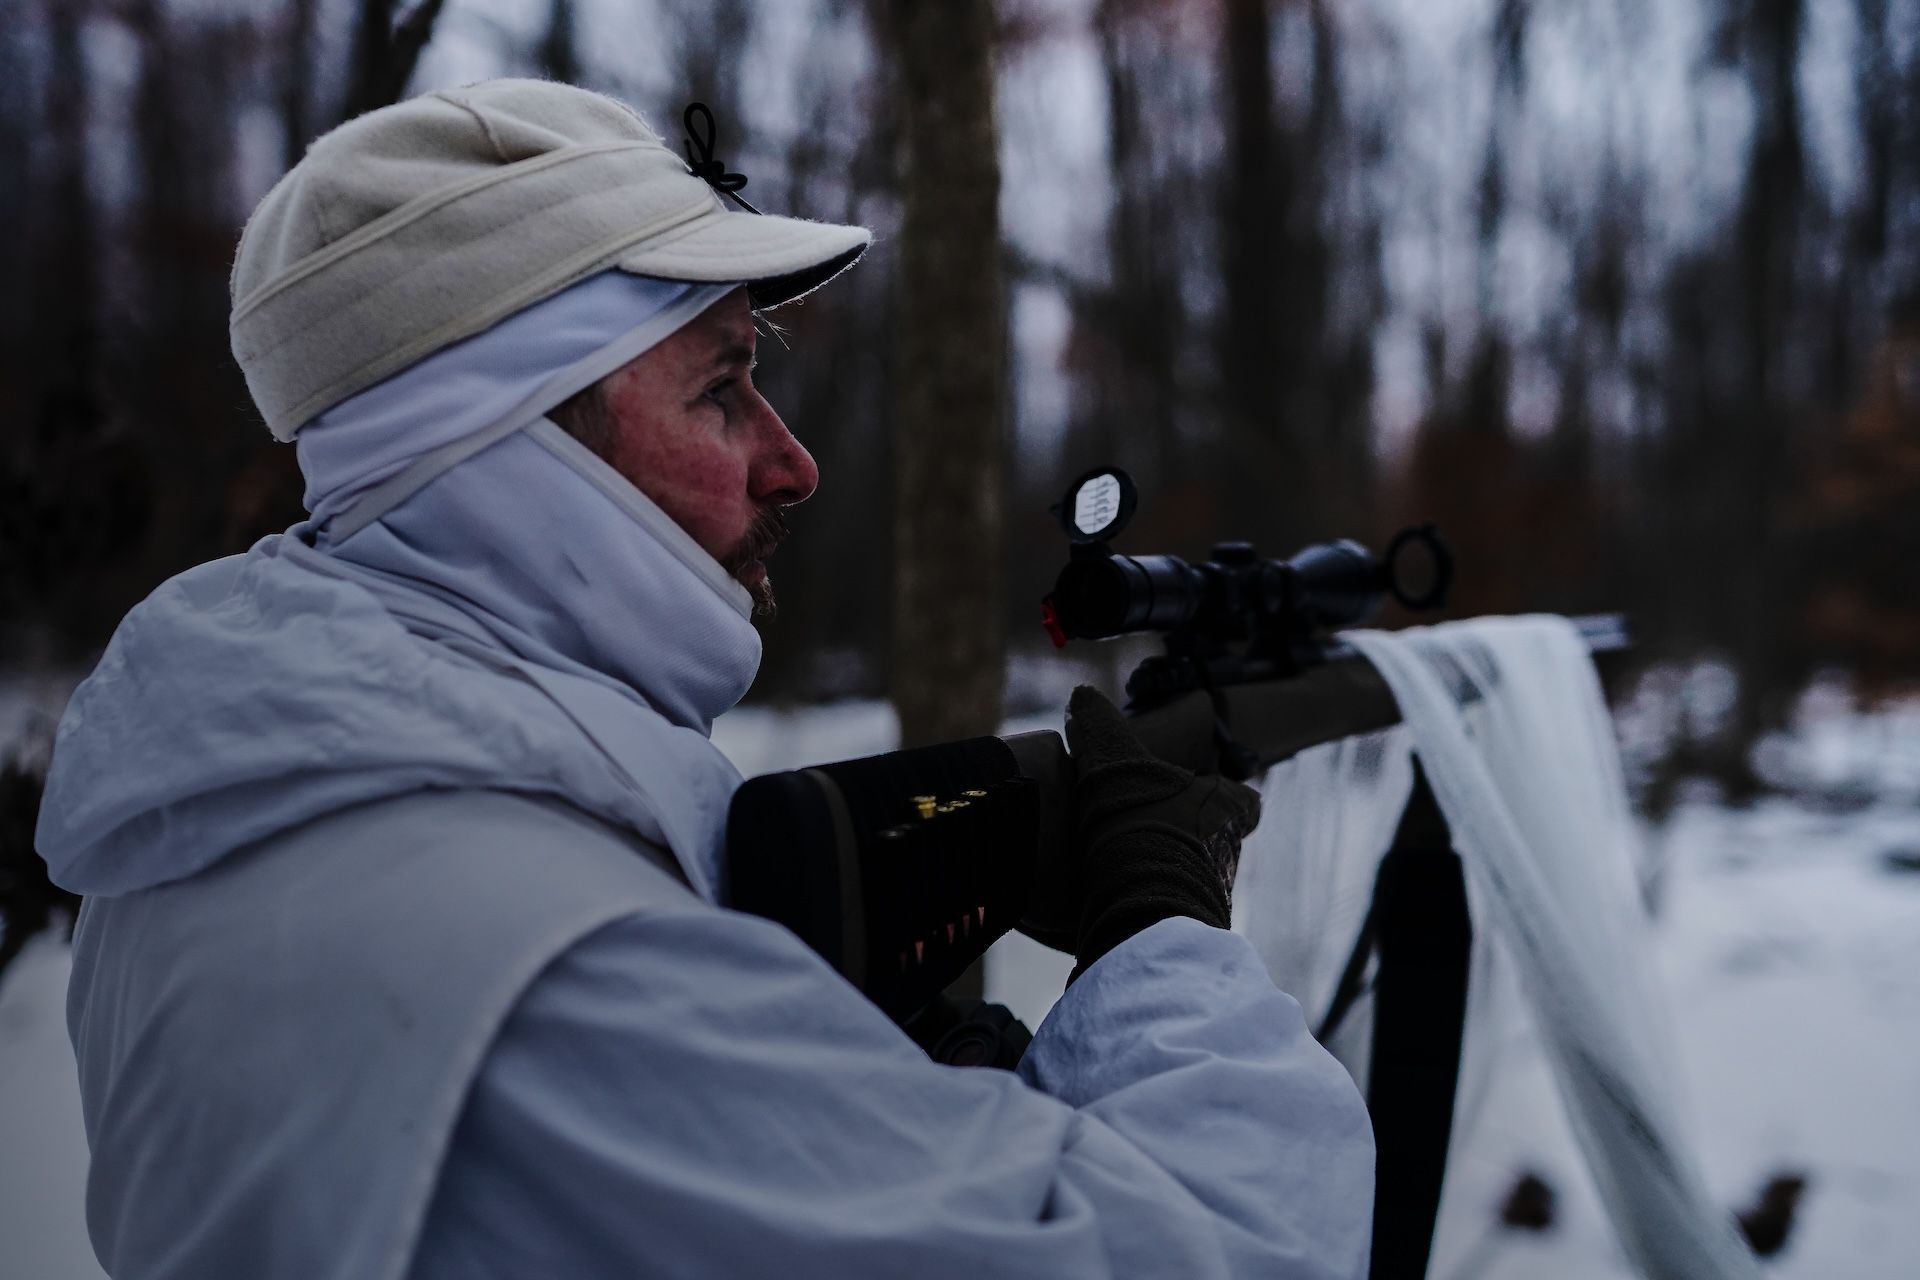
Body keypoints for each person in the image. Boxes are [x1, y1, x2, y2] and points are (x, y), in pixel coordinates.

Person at [35, 80, 1373, 1278]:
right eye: (723, 391)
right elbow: (1237, 1248)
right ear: (514, 450)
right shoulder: (566, 973)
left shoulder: (222, 801)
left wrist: (876, 1095)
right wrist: (1161, 944)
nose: (793, 463)